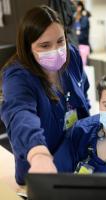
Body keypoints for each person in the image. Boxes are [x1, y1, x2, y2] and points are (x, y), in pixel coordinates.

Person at [0, 5, 90, 185]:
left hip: (77, 160)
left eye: (60, 41)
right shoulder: (18, 77)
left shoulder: (71, 55)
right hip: (42, 171)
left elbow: (83, 95)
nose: (56, 50)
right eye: (44, 45)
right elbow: (20, 115)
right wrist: (38, 154)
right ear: (28, 47)